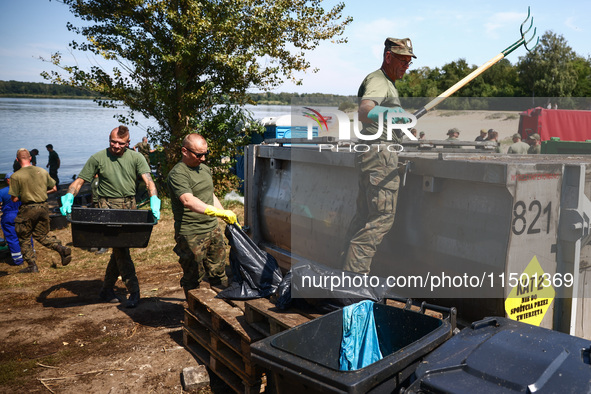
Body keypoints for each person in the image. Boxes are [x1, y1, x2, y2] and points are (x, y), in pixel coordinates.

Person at [59, 126, 161, 308]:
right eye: (113, 142)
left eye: (120, 143)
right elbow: (80, 181)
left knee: (119, 249)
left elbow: (149, 181)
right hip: (106, 208)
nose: (116, 146)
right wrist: (69, 196)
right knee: (121, 251)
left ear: (128, 143)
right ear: (109, 138)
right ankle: (134, 291)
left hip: (129, 207)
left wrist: (154, 198)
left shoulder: (136, 158)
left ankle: (106, 290)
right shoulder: (98, 157)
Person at [342, 37, 415, 274]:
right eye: (402, 60)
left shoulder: (387, 83)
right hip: (380, 155)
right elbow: (365, 111)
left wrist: (400, 123)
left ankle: (343, 274)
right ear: (388, 57)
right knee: (381, 218)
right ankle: (354, 281)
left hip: (372, 152)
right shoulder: (379, 80)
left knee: (364, 218)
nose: (406, 66)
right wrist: (393, 111)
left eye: (408, 62)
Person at [167, 133, 238, 297]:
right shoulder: (178, 174)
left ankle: (222, 306)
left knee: (219, 273)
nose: (204, 158)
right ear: (185, 151)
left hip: (212, 229)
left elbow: (209, 196)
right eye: (199, 154)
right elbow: (188, 200)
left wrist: (223, 214)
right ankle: (194, 309)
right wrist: (216, 212)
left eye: (206, 153)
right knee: (193, 277)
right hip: (191, 233)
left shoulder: (204, 169)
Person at [8, 149, 72, 273]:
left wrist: (25, 195)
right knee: (41, 235)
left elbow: (14, 199)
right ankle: (61, 248)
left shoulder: (16, 176)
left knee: (23, 236)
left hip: (28, 208)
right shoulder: (42, 171)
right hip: (43, 207)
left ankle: (32, 265)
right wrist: (42, 193)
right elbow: (54, 188)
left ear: (17, 159)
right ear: (30, 158)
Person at [0, 172, 27, 266]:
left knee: (12, 238)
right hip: (23, 214)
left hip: (9, 216)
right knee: (26, 235)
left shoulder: (2, 192)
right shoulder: (22, 190)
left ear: (8, 180)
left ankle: (18, 260)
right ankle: (31, 255)